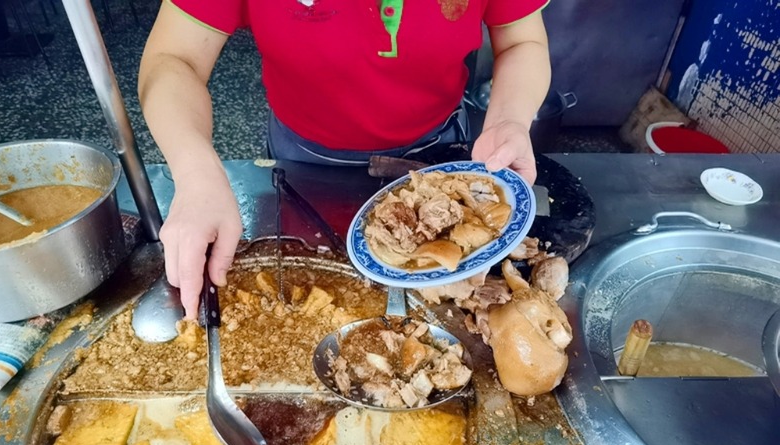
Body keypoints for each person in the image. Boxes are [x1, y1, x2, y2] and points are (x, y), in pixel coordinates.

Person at [138, 0, 551, 317]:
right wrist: (196, 176)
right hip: (302, 164)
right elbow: (175, 58)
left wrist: (509, 120)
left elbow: (521, 40)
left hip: (438, 157)